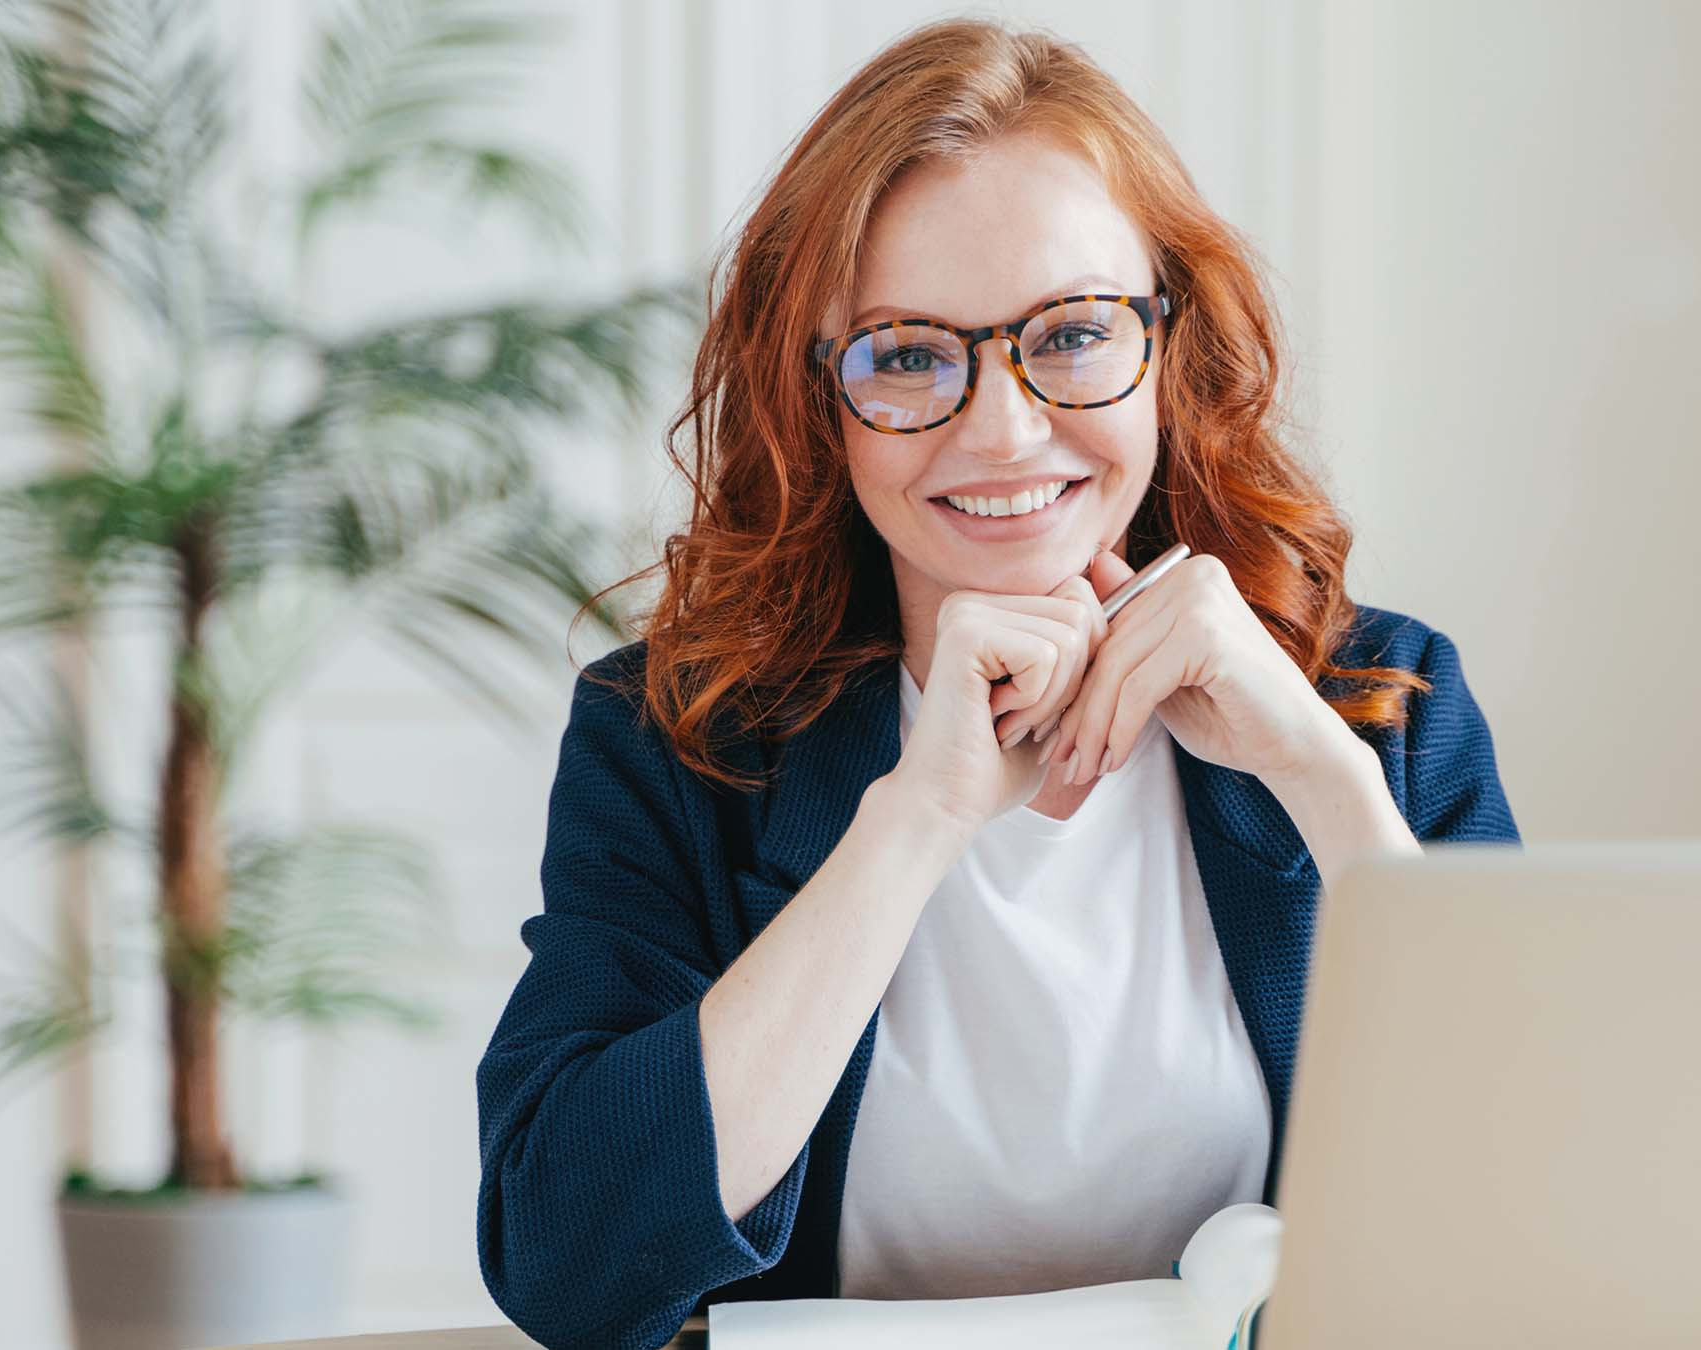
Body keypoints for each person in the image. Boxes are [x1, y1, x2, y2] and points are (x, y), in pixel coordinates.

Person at [474, 17, 1518, 1350]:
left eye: (1074, 333)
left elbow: (1544, 1208)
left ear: (1169, 340)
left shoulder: (1383, 700)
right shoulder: (672, 740)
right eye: (909, 352)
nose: (1004, 426)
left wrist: (1323, 774)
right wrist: (913, 822)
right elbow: (571, 1266)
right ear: (820, 400)